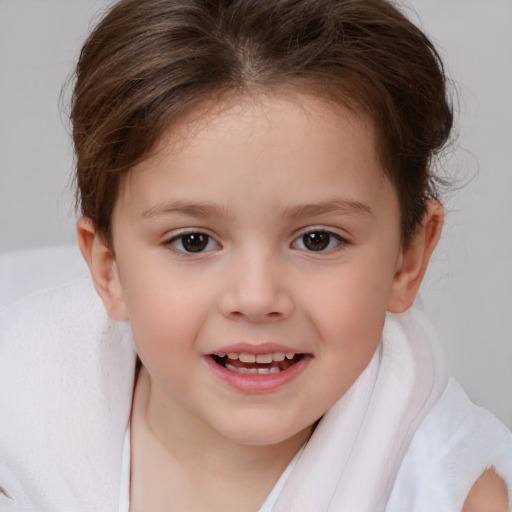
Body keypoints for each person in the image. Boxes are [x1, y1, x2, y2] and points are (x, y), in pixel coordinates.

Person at [0, 0, 511, 510]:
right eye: (193, 241)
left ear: (407, 259)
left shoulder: (455, 495)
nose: (256, 297)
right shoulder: (20, 429)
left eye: (317, 239)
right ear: (107, 270)